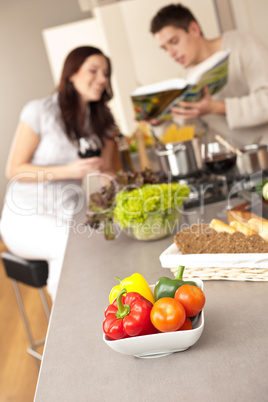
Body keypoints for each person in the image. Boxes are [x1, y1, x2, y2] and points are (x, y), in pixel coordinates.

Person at [1, 46, 121, 301]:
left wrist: (108, 181)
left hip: (68, 213)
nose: (102, 79)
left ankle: (99, 308)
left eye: (106, 74)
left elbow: (108, 171)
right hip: (25, 217)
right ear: (71, 74)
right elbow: (14, 169)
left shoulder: (104, 121)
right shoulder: (40, 111)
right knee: (71, 246)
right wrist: (67, 171)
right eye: (94, 71)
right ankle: (71, 323)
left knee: (105, 244)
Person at [149, 3, 268, 147]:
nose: (171, 54)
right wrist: (159, 123)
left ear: (194, 29)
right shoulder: (187, 82)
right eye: (165, 49)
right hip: (236, 162)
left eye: (174, 42)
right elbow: (195, 134)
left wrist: (216, 108)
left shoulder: (242, 44)